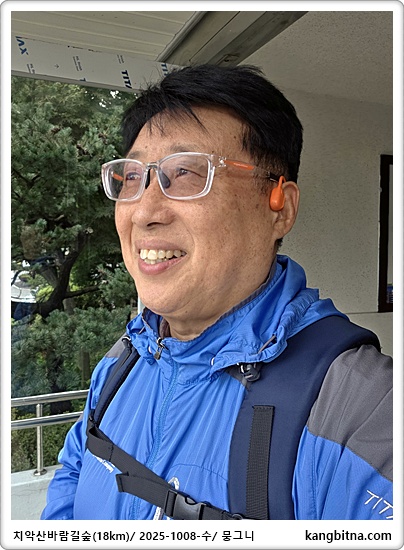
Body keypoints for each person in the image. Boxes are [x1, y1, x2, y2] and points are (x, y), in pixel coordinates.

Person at [41, 64, 392, 521]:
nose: (143, 211)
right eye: (132, 177)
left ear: (280, 208)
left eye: (186, 172)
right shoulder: (123, 361)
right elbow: (74, 470)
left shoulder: (361, 408)